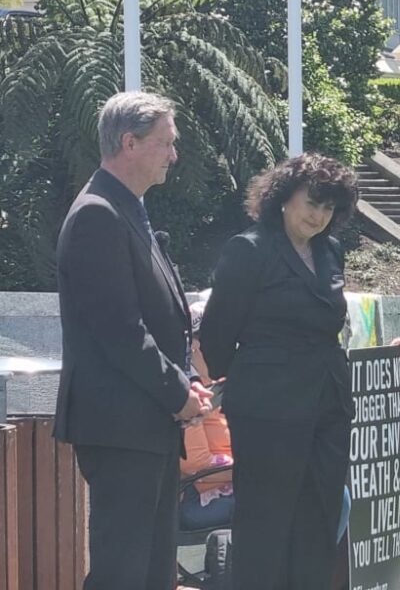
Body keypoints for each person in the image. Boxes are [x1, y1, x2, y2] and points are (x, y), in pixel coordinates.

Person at [54, 91, 213, 590]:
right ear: (129, 142)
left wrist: (187, 382)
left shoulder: (127, 210)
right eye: (165, 143)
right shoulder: (98, 214)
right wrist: (177, 392)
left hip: (144, 422)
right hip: (120, 425)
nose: (173, 155)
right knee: (123, 572)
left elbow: (160, 321)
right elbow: (121, 330)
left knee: (151, 571)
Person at [199, 153, 359, 589]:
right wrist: (253, 381)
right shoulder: (248, 249)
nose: (319, 215)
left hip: (327, 407)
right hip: (266, 411)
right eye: (312, 202)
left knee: (320, 519)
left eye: (329, 208)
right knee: (266, 526)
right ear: (284, 198)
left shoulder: (330, 250)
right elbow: (215, 336)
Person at [179, 297, 234, 532]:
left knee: (335, 496)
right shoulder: (188, 392)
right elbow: (194, 462)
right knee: (283, 505)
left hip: (238, 483)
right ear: (195, 345)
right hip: (196, 497)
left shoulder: (225, 380)